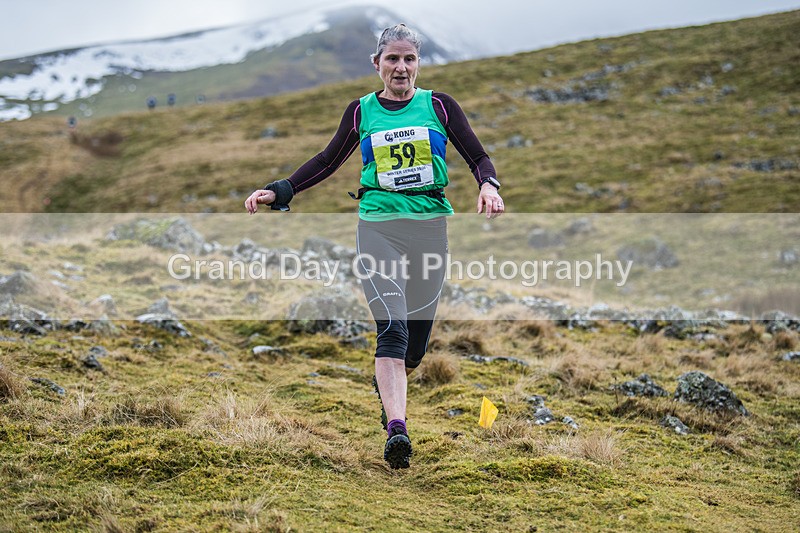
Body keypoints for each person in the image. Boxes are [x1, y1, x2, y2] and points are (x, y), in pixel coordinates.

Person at [245, 23, 504, 469]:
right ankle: (397, 429)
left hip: (429, 230)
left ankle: (390, 386)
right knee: (393, 329)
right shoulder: (361, 112)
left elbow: (477, 156)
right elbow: (327, 160)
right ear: (377, 64)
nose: (401, 67)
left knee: (414, 349)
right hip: (378, 229)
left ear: (418, 64)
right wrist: (281, 190)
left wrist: (488, 185)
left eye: (409, 59)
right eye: (392, 59)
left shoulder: (439, 106)